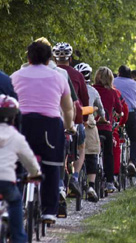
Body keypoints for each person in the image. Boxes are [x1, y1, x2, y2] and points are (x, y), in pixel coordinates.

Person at [11, 41, 74, 223]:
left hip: (22, 124)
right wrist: (69, 126)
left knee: (16, 164)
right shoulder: (59, 78)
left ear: (28, 58)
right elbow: (68, 109)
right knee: (52, 167)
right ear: (49, 60)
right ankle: (48, 211)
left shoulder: (15, 76)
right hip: (50, 126)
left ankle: (13, 203)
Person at [0, 95, 41, 243]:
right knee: (16, 202)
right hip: (7, 181)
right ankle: (18, 238)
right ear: (14, 117)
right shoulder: (16, 136)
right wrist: (36, 173)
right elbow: (29, 159)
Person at [53, 42, 89, 196]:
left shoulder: (50, 73)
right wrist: (85, 119)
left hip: (52, 119)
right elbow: (84, 100)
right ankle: (75, 176)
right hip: (74, 119)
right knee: (81, 148)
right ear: (70, 58)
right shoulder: (76, 75)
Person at [74, 63, 105, 202]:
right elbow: (101, 109)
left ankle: (71, 182)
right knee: (92, 153)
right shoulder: (92, 91)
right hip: (88, 122)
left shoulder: (71, 88)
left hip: (72, 121)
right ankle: (91, 186)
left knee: (72, 153)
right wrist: (103, 118)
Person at [113, 65, 136, 176]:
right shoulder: (135, 84)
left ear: (119, 73)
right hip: (131, 114)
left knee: (114, 138)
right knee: (135, 139)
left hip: (115, 115)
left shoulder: (113, 81)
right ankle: (132, 161)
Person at [93, 67, 122, 193]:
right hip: (106, 127)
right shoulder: (113, 92)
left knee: (90, 153)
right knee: (108, 154)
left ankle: (89, 181)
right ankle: (109, 182)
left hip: (92, 126)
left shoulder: (92, 90)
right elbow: (119, 110)